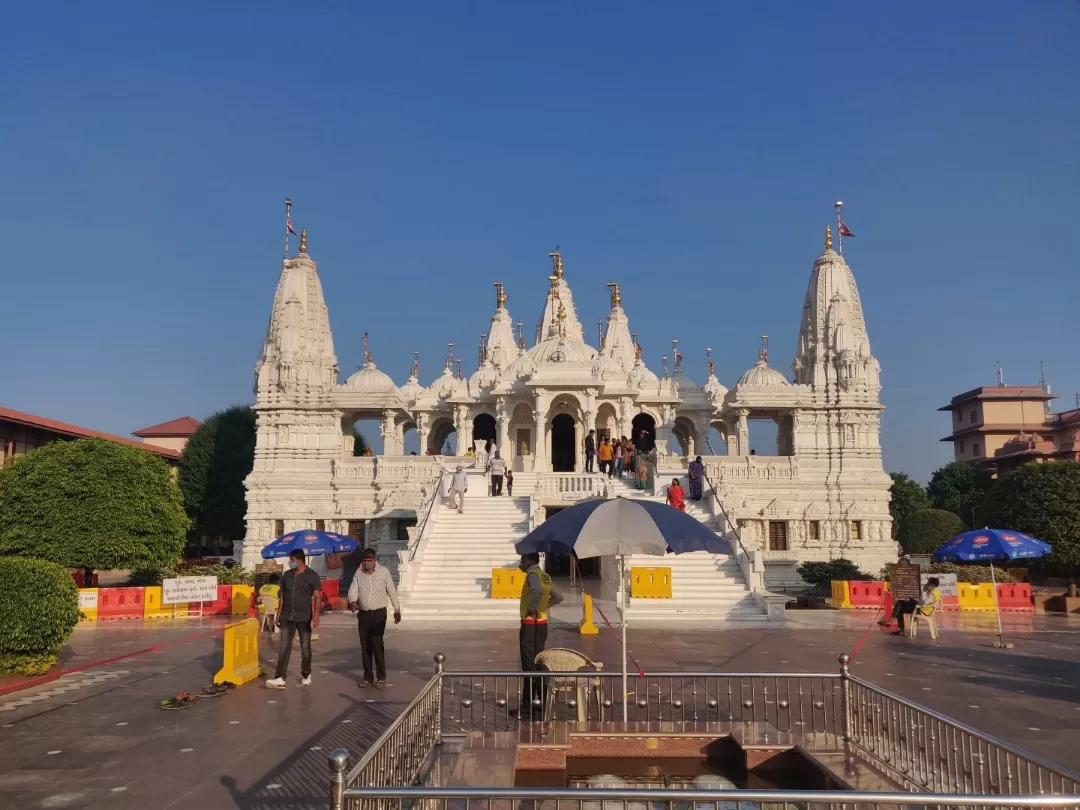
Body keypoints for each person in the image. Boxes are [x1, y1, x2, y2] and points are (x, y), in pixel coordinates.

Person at [266, 549, 322, 688]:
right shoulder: (286, 575)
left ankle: (306, 673)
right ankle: (279, 677)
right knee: (284, 647)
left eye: (292, 560)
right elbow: (282, 596)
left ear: (300, 560)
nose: (290, 562)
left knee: (305, 648)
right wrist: (278, 616)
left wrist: (316, 615)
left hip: (303, 617)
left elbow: (317, 597)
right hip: (286, 616)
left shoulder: (312, 576)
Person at [347, 548, 401, 688]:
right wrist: (353, 601)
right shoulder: (359, 573)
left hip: (378, 613)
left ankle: (381, 676)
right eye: (364, 561)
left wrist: (397, 609)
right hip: (364, 614)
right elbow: (353, 589)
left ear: (375, 559)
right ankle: (367, 677)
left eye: (369, 561)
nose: (366, 564)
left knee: (377, 643)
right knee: (365, 646)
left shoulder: (384, 572)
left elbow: (391, 590)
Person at [518, 553, 563, 719]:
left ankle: (527, 705)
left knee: (529, 663)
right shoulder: (545, 576)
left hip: (530, 624)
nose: (520, 563)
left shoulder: (532, 575)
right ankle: (543, 700)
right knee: (539, 659)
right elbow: (559, 596)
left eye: (523, 560)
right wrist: (544, 607)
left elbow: (536, 590)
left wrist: (533, 608)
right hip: (542, 624)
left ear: (530, 560)